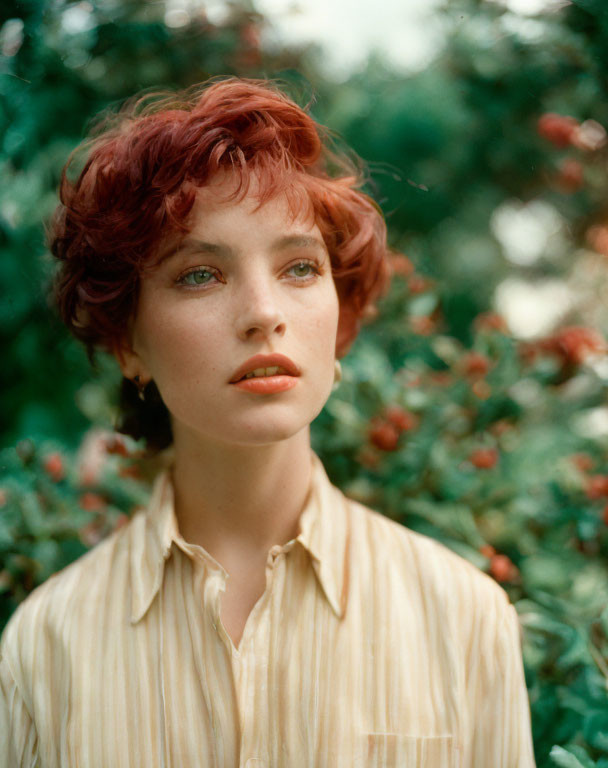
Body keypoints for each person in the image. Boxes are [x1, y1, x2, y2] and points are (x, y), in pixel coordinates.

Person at [0, 78, 536, 767]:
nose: (263, 311)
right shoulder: (47, 649)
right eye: (200, 274)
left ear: (339, 317)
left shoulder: (464, 620)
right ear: (128, 341)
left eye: (300, 267)